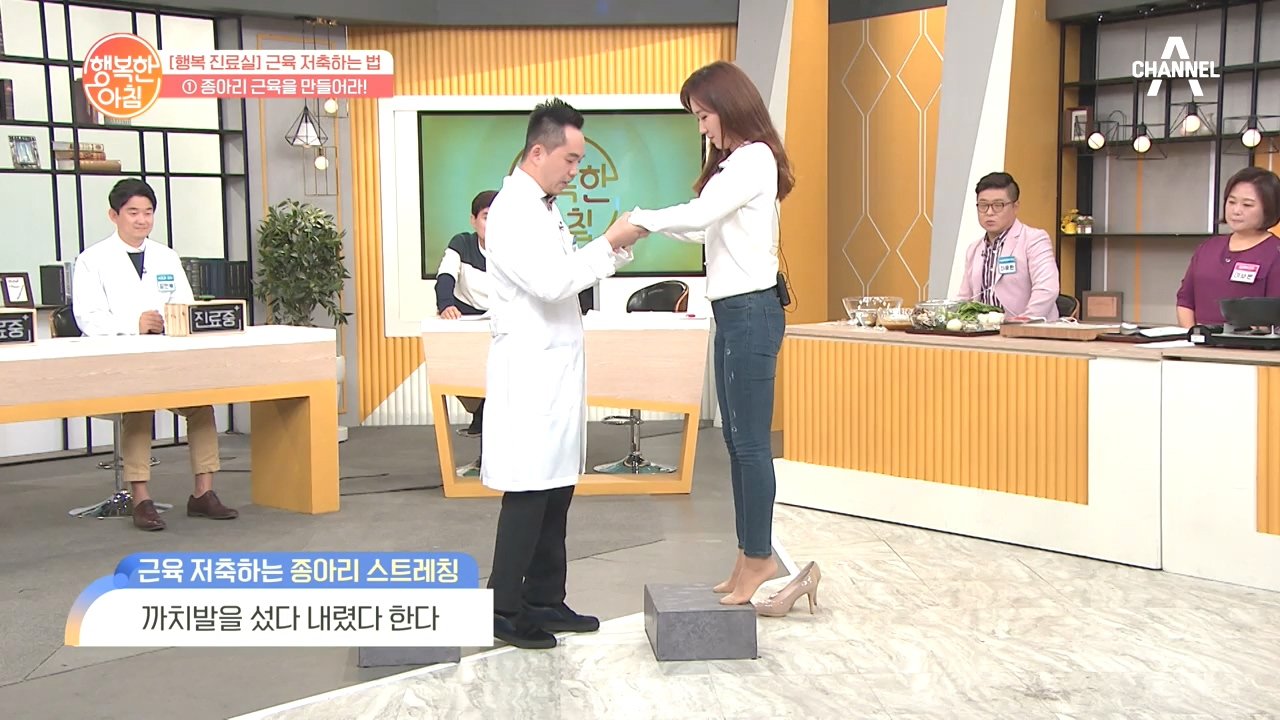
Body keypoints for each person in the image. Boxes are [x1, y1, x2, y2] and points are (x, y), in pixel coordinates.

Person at [628, 60, 813, 610]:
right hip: (734, 312)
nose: (702, 127)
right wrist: (650, 225)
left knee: (751, 444)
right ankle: (746, 554)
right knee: (736, 441)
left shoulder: (754, 158)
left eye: (704, 115)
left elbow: (700, 212)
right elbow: (701, 224)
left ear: (729, 108)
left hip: (752, 311)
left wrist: (640, 218)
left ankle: (759, 557)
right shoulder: (736, 165)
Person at [482, 98, 648, 649]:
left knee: (556, 489)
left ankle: (544, 599)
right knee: (530, 491)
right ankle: (503, 608)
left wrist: (614, 249)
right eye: (570, 159)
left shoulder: (544, 208)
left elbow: (568, 272)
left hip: (554, 369)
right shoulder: (512, 211)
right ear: (538, 152)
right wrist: (609, 242)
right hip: (530, 372)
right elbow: (553, 283)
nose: (576, 171)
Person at [72, 178, 238, 532]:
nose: (142, 220)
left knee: (201, 405)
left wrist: (175, 320)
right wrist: (134, 324)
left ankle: (203, 493)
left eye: (148, 212)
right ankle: (141, 498)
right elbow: (87, 317)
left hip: (167, 361)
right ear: (114, 215)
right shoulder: (92, 260)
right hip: (119, 363)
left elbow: (184, 304)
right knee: (138, 406)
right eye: (133, 212)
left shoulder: (166, 257)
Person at [1176, 166, 1280, 327]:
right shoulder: (1208, 247)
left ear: (1269, 208)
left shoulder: (1275, 252)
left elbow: (1274, 315)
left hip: (1249, 341)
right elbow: (1185, 301)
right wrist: (1192, 335)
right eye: (1231, 202)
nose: (1236, 210)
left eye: (1247, 205)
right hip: (1199, 339)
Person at [436, 190, 496, 450]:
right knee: (458, 372)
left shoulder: (515, 248)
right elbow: (446, 275)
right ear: (473, 220)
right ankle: (480, 412)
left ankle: (487, 422)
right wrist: (445, 305)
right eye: (486, 217)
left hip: (501, 324)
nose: (492, 224)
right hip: (467, 322)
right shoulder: (461, 243)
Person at [956, 172, 1061, 320]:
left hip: (1026, 329)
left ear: (1015, 207)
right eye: (983, 205)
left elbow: (1047, 289)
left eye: (998, 205)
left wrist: (1023, 322)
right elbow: (964, 298)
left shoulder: (1034, 240)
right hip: (983, 329)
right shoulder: (974, 249)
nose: (989, 212)